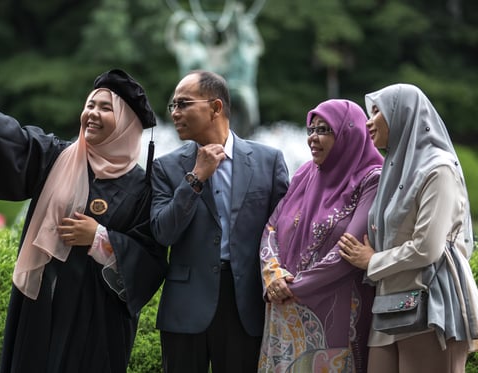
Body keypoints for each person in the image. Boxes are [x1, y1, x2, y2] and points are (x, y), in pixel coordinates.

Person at [0, 67, 168, 372]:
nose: (92, 113)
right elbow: (15, 140)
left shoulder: (142, 187)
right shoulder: (57, 157)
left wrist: (101, 238)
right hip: (40, 304)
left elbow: (150, 259)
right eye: (90, 105)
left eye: (105, 108)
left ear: (127, 124)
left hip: (97, 319)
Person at [150, 70, 289, 373]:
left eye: (183, 104)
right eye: (172, 106)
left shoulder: (270, 161)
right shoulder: (166, 168)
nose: (175, 113)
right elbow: (162, 232)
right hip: (186, 305)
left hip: (246, 302)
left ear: (215, 107)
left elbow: (284, 231)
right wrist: (195, 179)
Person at [338, 83, 478, 373]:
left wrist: (372, 260)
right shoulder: (393, 170)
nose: (368, 120)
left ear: (401, 114)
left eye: (377, 111)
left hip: (430, 306)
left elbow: (428, 246)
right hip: (389, 306)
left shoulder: (438, 170)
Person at [257, 99, 383, 372]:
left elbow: (348, 250)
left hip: (334, 315)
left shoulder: (371, 179)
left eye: (324, 129)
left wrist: (293, 287)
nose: (313, 137)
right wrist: (273, 275)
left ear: (349, 132)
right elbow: (271, 227)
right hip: (284, 308)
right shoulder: (305, 173)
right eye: (310, 129)